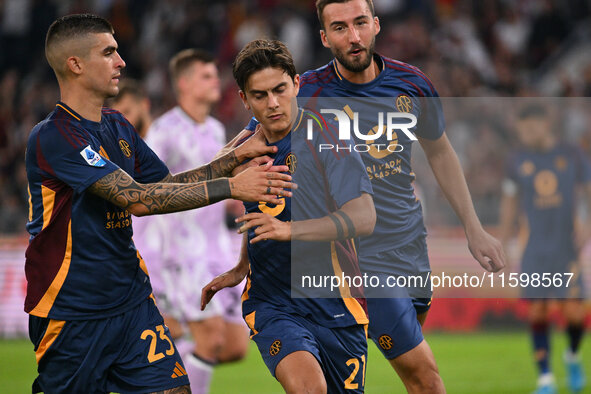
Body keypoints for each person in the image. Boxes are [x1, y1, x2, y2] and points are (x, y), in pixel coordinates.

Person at [25, 14, 292, 394]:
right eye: (109, 53)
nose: (121, 62)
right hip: (72, 311)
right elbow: (138, 199)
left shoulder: (117, 126)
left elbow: (166, 185)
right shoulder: (54, 137)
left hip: (131, 302)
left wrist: (232, 158)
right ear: (76, 64)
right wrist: (232, 186)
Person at [294, 1, 505, 392]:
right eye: (340, 28)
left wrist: (474, 229)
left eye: (360, 23)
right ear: (324, 38)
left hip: (410, 244)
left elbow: (440, 151)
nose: (353, 37)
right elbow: (253, 146)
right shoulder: (304, 92)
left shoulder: (412, 84)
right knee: (425, 376)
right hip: (356, 256)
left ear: (376, 25)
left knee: (404, 368)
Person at [202, 39, 376, 393]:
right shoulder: (247, 143)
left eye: (280, 90)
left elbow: (364, 218)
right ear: (244, 99)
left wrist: (288, 230)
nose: (273, 103)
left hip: (336, 303)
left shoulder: (329, 139)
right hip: (273, 302)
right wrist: (242, 266)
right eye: (260, 95)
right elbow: (258, 212)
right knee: (309, 389)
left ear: (296, 84)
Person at [132, 49, 249, 394]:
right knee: (210, 339)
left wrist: (234, 200)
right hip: (180, 253)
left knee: (234, 346)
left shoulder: (215, 130)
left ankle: (155, 377)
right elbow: (144, 190)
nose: (216, 81)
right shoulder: (163, 131)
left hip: (219, 249)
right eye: (207, 76)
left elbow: (217, 187)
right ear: (183, 83)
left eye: (215, 75)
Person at [499, 104, 589, 394]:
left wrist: (586, 225)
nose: (525, 133)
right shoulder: (516, 160)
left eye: (529, 126)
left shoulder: (572, 154)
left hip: (566, 246)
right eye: (521, 128)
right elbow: (510, 201)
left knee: (574, 313)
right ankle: (546, 378)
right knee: (537, 310)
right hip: (534, 247)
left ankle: (572, 356)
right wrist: (503, 240)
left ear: (544, 124)